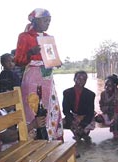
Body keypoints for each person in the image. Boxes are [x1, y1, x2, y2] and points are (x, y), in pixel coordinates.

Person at [14, 8, 63, 140]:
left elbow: (51, 58)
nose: (48, 23)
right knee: (32, 106)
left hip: (47, 79)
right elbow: (18, 61)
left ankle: (53, 140)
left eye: (49, 21)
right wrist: (30, 53)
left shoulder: (48, 38)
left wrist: (56, 62)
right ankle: (34, 141)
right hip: (32, 79)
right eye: (45, 20)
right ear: (35, 21)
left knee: (50, 106)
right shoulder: (24, 37)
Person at [62, 71, 96, 142]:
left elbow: (90, 112)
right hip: (73, 116)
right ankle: (76, 131)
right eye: (79, 78)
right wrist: (72, 121)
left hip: (85, 116)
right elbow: (66, 110)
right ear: (74, 79)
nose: (81, 81)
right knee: (62, 123)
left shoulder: (90, 94)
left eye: (84, 79)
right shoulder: (67, 93)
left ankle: (83, 132)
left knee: (83, 133)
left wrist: (82, 125)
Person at [95, 74, 118, 138]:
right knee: (97, 118)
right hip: (107, 113)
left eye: (109, 85)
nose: (106, 87)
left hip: (116, 114)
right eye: (106, 85)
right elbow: (101, 105)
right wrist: (106, 109)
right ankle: (110, 125)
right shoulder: (103, 94)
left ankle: (117, 131)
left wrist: (110, 108)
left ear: (115, 85)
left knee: (117, 119)